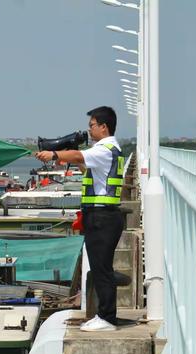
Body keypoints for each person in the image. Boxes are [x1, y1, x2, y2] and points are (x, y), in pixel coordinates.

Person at [36, 106, 124, 331]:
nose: (89, 130)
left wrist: (54, 154)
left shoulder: (104, 148)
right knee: (99, 266)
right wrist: (69, 158)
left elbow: (77, 155)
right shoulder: (109, 149)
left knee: (101, 269)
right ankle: (103, 315)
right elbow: (84, 164)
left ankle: (107, 318)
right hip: (103, 215)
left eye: (92, 125)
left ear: (104, 127)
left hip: (102, 216)